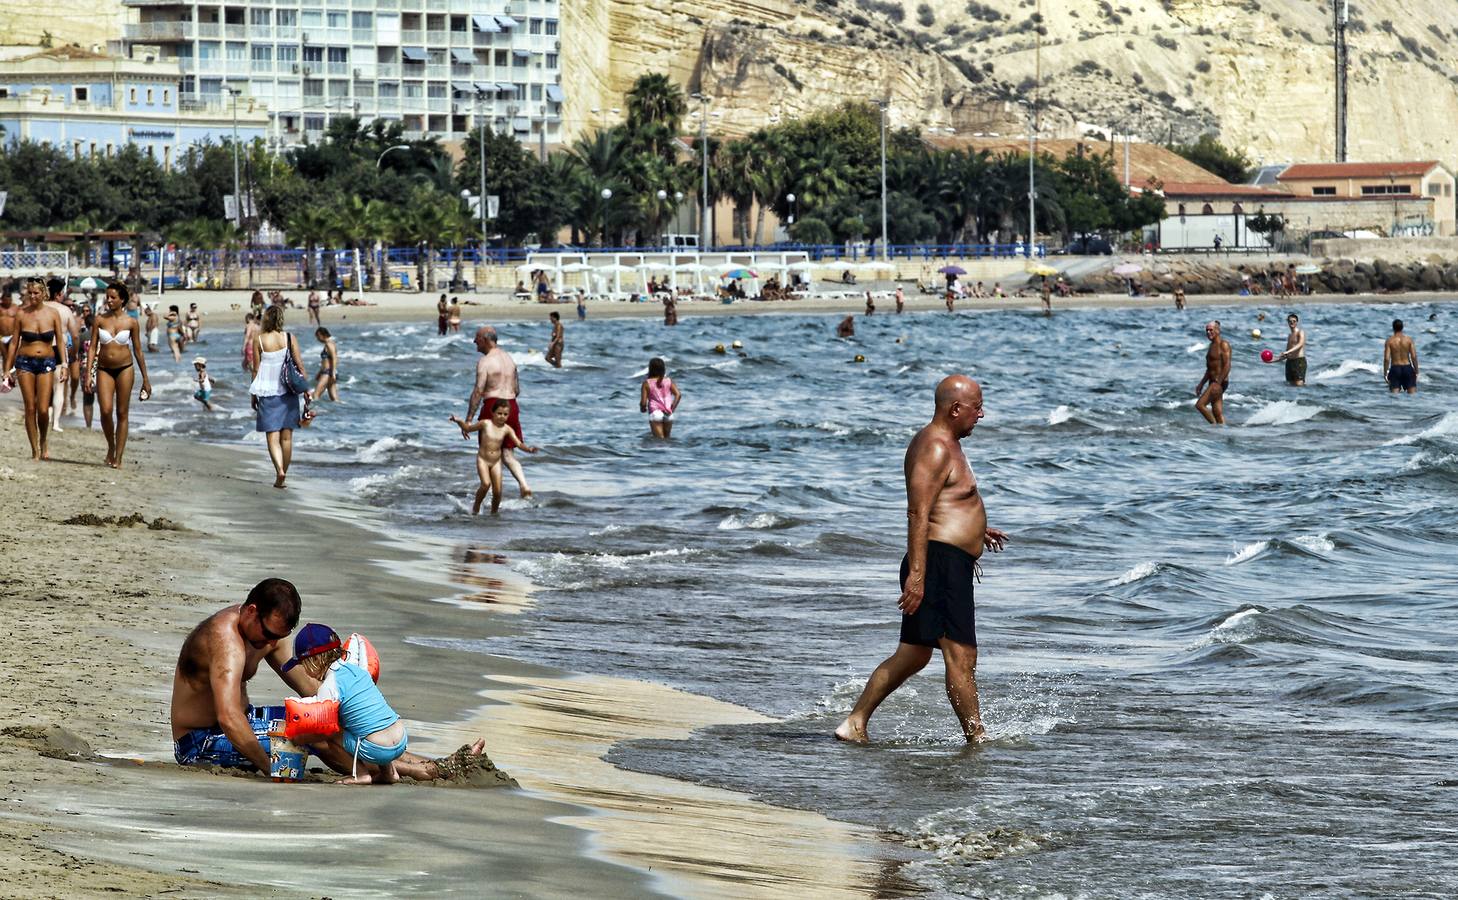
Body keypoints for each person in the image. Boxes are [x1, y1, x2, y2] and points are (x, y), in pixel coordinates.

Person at [835, 376, 1008, 745]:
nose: (982, 413)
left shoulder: (946, 444)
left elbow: (946, 505)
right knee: (962, 656)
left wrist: (977, 529)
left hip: (941, 562)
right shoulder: (935, 448)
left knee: (913, 656)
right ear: (955, 409)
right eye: (977, 407)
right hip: (938, 567)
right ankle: (977, 739)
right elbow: (918, 512)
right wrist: (918, 574)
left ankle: (855, 722)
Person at [171, 579, 484, 781]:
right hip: (201, 742)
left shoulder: (266, 634)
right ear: (251, 611)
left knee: (323, 717)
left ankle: (433, 763)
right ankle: (423, 772)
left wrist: (358, 706)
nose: (270, 642)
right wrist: (271, 768)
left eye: (279, 637)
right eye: (267, 634)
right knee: (313, 732)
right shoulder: (225, 641)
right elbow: (227, 716)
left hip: (246, 723)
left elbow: (315, 691)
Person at [280, 623, 410, 785]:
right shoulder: (357, 671)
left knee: (332, 734)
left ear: (314, 660)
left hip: (379, 749)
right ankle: (389, 773)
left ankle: (361, 775)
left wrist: (300, 739)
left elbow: (324, 730)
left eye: (303, 665)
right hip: (400, 738)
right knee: (368, 722)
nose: (304, 671)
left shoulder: (330, 685)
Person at [85, 282, 153, 467]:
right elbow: (92, 348)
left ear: (122, 299)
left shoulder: (131, 322)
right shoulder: (99, 320)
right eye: (107, 296)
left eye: (113, 297)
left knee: (122, 412)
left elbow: (138, 351)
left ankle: (119, 457)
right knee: (106, 411)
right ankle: (111, 446)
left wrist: (146, 380)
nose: (109, 300)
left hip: (125, 368)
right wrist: (88, 374)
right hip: (104, 369)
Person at [2, 278, 68, 460]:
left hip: (47, 362)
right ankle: (34, 450)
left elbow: (60, 340)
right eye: (30, 293)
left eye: (36, 293)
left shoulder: (53, 313)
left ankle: (43, 440)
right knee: (30, 408)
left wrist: (64, 365)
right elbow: (14, 342)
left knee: (43, 409)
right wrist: (7, 369)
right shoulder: (22, 314)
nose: (32, 296)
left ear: (44, 294)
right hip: (25, 363)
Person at [250, 306, 310, 489]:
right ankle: (284, 472)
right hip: (289, 392)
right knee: (287, 437)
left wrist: (253, 394)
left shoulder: (259, 340)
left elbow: (255, 369)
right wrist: (306, 389)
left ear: (266, 319)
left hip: (267, 393)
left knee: (272, 436)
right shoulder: (289, 337)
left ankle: (279, 471)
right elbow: (299, 365)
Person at [467, 325, 530, 497]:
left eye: (477, 338)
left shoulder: (485, 362)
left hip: (493, 405)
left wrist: (469, 419)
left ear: (486, 340)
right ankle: (524, 485)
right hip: (511, 405)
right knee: (508, 453)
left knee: (489, 454)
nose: (474, 342)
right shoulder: (510, 359)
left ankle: (494, 496)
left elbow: (479, 390)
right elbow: (517, 389)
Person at [450, 400, 538, 514]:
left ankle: (494, 513)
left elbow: (518, 443)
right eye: (499, 413)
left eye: (505, 414)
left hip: (496, 462)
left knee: (497, 492)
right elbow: (467, 429)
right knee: (486, 484)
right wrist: (459, 421)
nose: (502, 417)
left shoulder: (507, 429)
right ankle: (476, 507)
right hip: (483, 460)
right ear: (493, 412)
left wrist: (529, 449)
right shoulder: (485, 424)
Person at [1195, 320, 1232, 425]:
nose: (1208, 332)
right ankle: (1223, 431)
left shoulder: (1223, 345)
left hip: (1219, 382)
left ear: (1218, 330)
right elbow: (1209, 369)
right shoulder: (1211, 346)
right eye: (1206, 330)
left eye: (1211, 330)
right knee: (1217, 412)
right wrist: (1201, 384)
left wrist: (1218, 383)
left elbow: (1227, 365)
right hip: (1213, 382)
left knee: (1200, 405)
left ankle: (1215, 427)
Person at [639, 356, 681, 439]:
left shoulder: (646, 383)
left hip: (655, 413)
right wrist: (672, 409)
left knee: (659, 441)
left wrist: (642, 408)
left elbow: (643, 403)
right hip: (668, 413)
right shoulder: (669, 380)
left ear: (650, 369)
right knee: (667, 439)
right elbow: (678, 395)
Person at [1384, 318, 1419, 394]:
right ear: (1402, 327)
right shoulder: (1409, 340)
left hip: (1395, 368)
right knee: (1412, 397)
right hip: (1407, 368)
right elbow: (1414, 356)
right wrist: (1416, 370)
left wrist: (1385, 373)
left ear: (1393, 328)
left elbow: (1387, 359)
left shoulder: (1389, 341)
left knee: (1394, 397)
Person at [1272, 312, 1306, 387]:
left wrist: (1288, 351)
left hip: (1299, 362)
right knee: (1290, 386)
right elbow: (1286, 355)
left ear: (1297, 322)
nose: (1292, 323)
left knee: (1299, 385)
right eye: (1290, 321)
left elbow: (1300, 344)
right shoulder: (1290, 336)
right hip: (1289, 363)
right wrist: (1272, 361)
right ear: (1287, 322)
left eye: (1294, 321)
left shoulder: (1300, 332)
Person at [313, 327, 339, 402]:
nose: (317, 339)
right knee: (334, 399)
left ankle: (315, 410)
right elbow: (326, 360)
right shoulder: (328, 344)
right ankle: (342, 412)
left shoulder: (329, 344)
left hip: (328, 373)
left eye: (318, 336)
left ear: (322, 335)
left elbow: (334, 357)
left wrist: (333, 372)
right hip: (327, 372)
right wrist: (319, 372)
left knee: (315, 395)